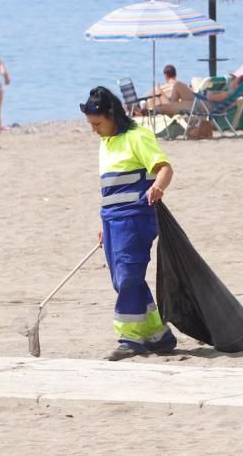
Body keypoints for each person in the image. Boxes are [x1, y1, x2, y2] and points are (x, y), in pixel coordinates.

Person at [80, 87, 176, 361]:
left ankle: (130, 338)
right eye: (91, 125)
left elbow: (165, 168)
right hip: (112, 221)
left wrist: (158, 186)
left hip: (136, 219)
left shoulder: (138, 136)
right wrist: (103, 223)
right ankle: (159, 335)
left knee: (128, 277)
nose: (94, 130)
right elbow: (109, 190)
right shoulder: (106, 142)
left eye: (97, 124)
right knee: (122, 280)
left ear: (112, 115)